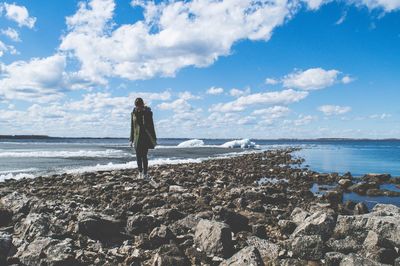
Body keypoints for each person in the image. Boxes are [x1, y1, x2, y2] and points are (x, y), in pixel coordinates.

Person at [129, 97, 157, 179]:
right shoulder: (133, 113)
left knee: (144, 156)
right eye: (137, 105)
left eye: (140, 105)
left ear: (142, 104)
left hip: (145, 137)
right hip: (137, 138)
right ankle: (140, 172)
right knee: (138, 156)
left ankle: (145, 173)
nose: (138, 107)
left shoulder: (148, 113)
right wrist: (131, 139)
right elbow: (132, 127)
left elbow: (151, 126)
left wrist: (153, 138)